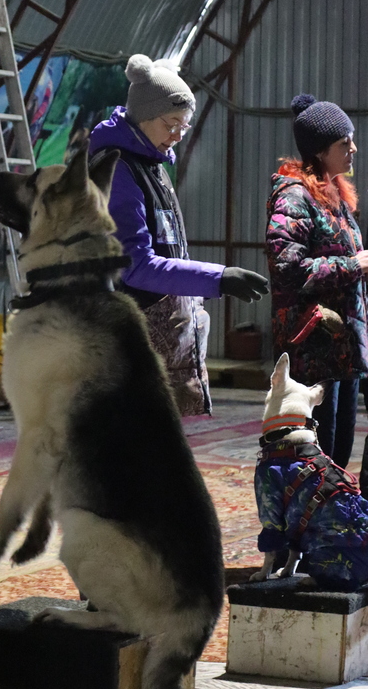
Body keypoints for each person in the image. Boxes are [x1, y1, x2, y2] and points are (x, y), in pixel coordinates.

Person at [90, 53, 268, 416]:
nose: (177, 135)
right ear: (144, 116)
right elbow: (136, 267)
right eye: (171, 124)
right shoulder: (118, 171)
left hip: (158, 335)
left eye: (184, 126)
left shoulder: (150, 164)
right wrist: (217, 278)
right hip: (130, 339)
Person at [266, 93, 368, 473]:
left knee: (337, 458)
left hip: (341, 350)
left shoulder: (334, 196)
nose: (353, 149)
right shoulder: (294, 198)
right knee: (314, 461)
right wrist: (353, 265)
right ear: (321, 150)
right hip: (313, 353)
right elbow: (287, 268)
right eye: (345, 142)